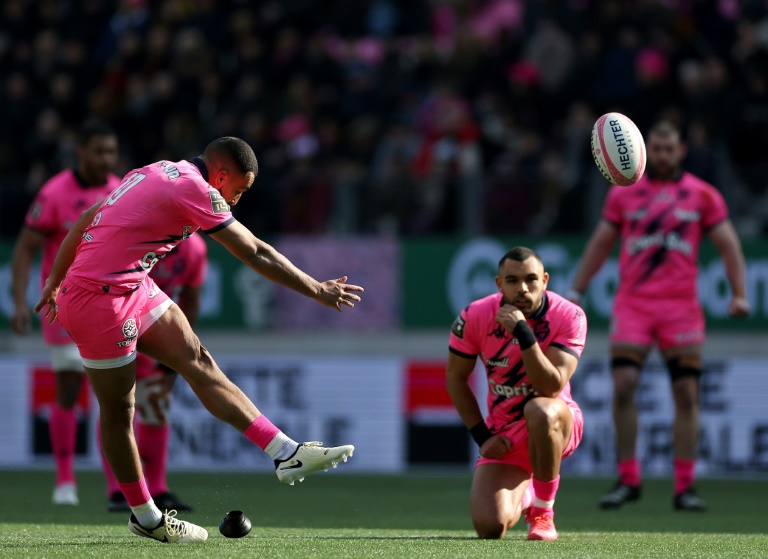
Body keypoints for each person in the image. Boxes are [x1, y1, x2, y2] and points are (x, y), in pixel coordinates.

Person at [34, 137, 363, 544]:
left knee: (198, 360)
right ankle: (145, 516)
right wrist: (317, 289)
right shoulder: (195, 189)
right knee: (120, 409)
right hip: (96, 301)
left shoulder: (156, 169)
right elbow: (255, 252)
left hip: (131, 284)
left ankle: (285, 453)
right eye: (238, 191)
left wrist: (52, 279)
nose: (236, 201)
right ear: (221, 175)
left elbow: (87, 217)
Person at [568, 121, 750, 512]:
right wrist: (577, 290)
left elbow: (729, 246)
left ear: (682, 150)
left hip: (681, 307)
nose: (664, 156)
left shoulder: (703, 195)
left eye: (670, 149)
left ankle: (684, 486)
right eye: (658, 148)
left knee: (686, 393)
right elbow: (600, 244)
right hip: (634, 304)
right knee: (624, 385)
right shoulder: (623, 194)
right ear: (645, 148)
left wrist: (739, 294)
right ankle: (628, 478)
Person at [10, 120, 121, 506]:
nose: (106, 159)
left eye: (111, 151)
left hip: (109, 307)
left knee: (115, 396)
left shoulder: (119, 189)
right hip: (63, 304)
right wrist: (20, 300)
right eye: (99, 151)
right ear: (81, 153)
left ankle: (116, 486)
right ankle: (64, 480)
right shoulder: (55, 192)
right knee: (71, 387)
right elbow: (25, 248)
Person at [446, 247, 587, 542]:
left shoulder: (569, 315)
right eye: (512, 280)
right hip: (505, 433)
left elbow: (551, 387)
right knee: (489, 527)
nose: (522, 288)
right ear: (499, 284)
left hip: (557, 421)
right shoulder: (475, 315)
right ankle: (529, 491)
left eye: (531, 280)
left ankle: (543, 513)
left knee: (540, 410)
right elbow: (456, 378)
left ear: (545, 281)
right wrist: (483, 437)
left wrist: (523, 332)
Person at [101, 232, 209, 513]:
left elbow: (191, 298)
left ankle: (157, 489)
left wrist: (181, 348)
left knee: (155, 405)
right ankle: (117, 491)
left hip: (155, 327)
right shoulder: (136, 235)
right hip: (114, 319)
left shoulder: (194, 248)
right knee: (117, 407)